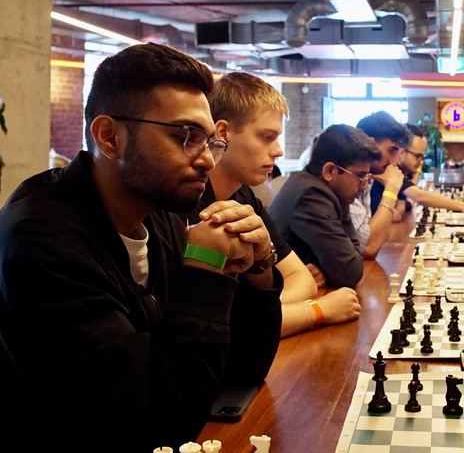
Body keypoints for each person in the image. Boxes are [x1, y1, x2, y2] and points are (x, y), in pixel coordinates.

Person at [0, 43, 282, 451]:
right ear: (110, 136)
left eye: (209, 141)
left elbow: (243, 371)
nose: (206, 160)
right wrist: (204, 270)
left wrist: (259, 268)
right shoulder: (41, 241)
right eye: (185, 136)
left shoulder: (160, 211)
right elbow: (149, 425)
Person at [184, 72, 360, 337]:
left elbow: (302, 279)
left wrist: (257, 313)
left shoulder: (244, 196)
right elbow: (221, 328)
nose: (279, 151)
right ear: (223, 132)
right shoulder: (183, 204)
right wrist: (317, 311)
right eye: (267, 137)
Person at [269, 124, 382, 289]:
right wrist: (332, 271)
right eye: (360, 176)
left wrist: (325, 269)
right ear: (330, 171)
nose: (364, 186)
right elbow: (350, 273)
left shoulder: (328, 192)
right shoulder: (310, 196)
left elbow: (353, 255)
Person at [384, 122, 464, 225]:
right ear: (401, 153)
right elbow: (420, 197)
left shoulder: (399, 172)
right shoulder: (389, 169)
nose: (421, 162)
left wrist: (402, 205)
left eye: (422, 157)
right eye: (417, 156)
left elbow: (405, 202)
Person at [351, 111, 408, 258]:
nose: (394, 162)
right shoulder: (347, 179)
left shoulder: (369, 178)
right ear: (369, 144)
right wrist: (391, 189)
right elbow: (369, 247)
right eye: (391, 150)